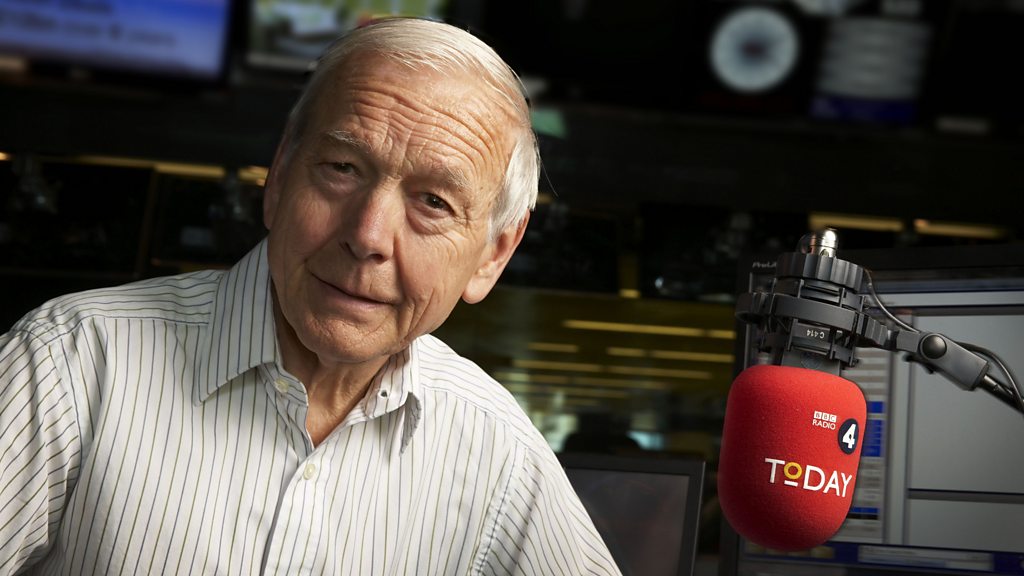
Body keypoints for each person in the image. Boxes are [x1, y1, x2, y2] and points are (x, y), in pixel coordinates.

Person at [0, 18, 622, 575]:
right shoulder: (70, 364)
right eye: (342, 168)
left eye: (433, 202)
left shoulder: (498, 450)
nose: (367, 235)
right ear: (279, 176)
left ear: (493, 255)